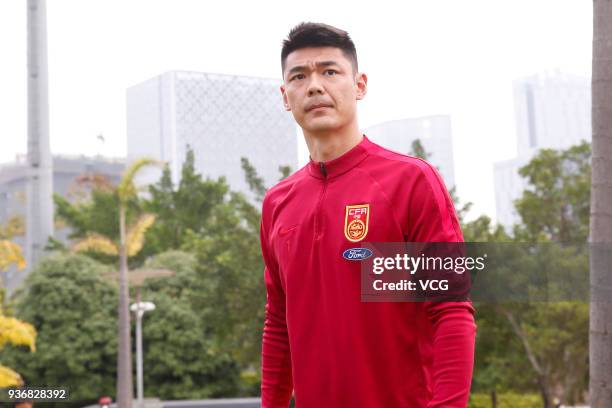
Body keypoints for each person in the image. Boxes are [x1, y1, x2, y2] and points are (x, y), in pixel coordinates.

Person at [260, 22, 477, 407]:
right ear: (285, 95)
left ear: (359, 85)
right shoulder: (278, 203)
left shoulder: (411, 181)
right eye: (299, 75)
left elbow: (452, 312)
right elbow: (279, 325)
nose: (314, 86)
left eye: (329, 71)